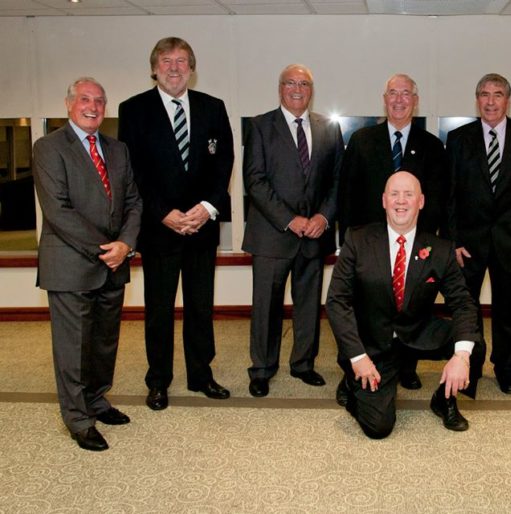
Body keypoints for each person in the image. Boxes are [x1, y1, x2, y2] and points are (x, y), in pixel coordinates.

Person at [118, 37, 234, 411]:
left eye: (182, 61)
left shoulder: (212, 108)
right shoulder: (134, 110)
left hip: (202, 227)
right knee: (159, 309)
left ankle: (201, 375)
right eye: (166, 61)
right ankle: (158, 381)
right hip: (159, 229)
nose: (174, 67)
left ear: (192, 68)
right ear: (154, 68)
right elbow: (132, 172)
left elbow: (224, 164)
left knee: (201, 307)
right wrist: (163, 212)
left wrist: (206, 208)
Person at [327, 171, 484, 439]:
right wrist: (358, 357)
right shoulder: (357, 240)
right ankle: (354, 383)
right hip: (373, 343)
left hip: (417, 331)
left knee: (473, 341)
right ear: (384, 200)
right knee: (378, 428)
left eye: (408, 194)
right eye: (395, 194)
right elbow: (336, 301)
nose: (401, 201)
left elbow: (463, 303)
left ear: (420, 201)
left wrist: (461, 357)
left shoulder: (441, 249)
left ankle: (444, 399)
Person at [33, 77, 142, 451]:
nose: (92, 106)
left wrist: (125, 244)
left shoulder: (118, 149)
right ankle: (78, 418)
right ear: (69, 104)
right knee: (73, 347)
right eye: (84, 99)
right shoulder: (48, 148)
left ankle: (96, 400)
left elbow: (133, 202)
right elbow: (58, 211)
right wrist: (106, 249)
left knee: (104, 343)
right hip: (71, 266)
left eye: (99, 100)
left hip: (114, 264)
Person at [338, 73, 447, 390]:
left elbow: (438, 198)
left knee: (412, 306)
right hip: (369, 244)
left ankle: (406, 365)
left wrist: (431, 244)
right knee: (368, 307)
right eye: (393, 93)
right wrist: (348, 242)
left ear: (415, 100)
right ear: (384, 99)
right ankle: (363, 363)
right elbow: (348, 194)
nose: (399, 100)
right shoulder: (362, 141)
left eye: (406, 94)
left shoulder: (431, 145)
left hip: (416, 245)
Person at [242, 64, 344, 397]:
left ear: (311, 90)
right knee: (265, 307)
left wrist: (323, 217)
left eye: (303, 84)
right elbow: (254, 181)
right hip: (273, 234)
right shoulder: (260, 126)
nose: (297, 89)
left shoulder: (328, 128)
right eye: (290, 83)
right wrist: (290, 219)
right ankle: (262, 369)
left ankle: (303, 364)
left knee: (309, 305)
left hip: (314, 235)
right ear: (280, 88)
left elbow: (337, 181)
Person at [445, 73, 511, 395]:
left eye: (497, 94)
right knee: (467, 309)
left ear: (507, 100)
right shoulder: (459, 139)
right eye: (484, 94)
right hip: (469, 245)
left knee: (510, 310)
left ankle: (506, 368)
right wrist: (453, 240)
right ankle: (469, 367)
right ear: (477, 100)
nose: (490, 101)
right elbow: (451, 194)